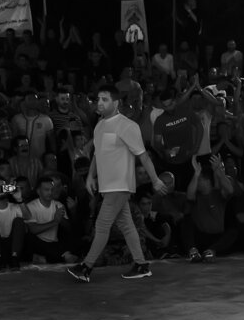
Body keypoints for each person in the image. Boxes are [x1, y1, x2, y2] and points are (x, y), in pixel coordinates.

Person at [67, 85, 168, 282]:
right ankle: (141, 264)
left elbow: (144, 156)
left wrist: (155, 179)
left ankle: (86, 267)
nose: (100, 103)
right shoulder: (99, 126)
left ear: (116, 103)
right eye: (98, 99)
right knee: (126, 224)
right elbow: (97, 154)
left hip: (120, 185)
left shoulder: (127, 126)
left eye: (104, 99)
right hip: (107, 185)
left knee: (102, 225)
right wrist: (90, 177)